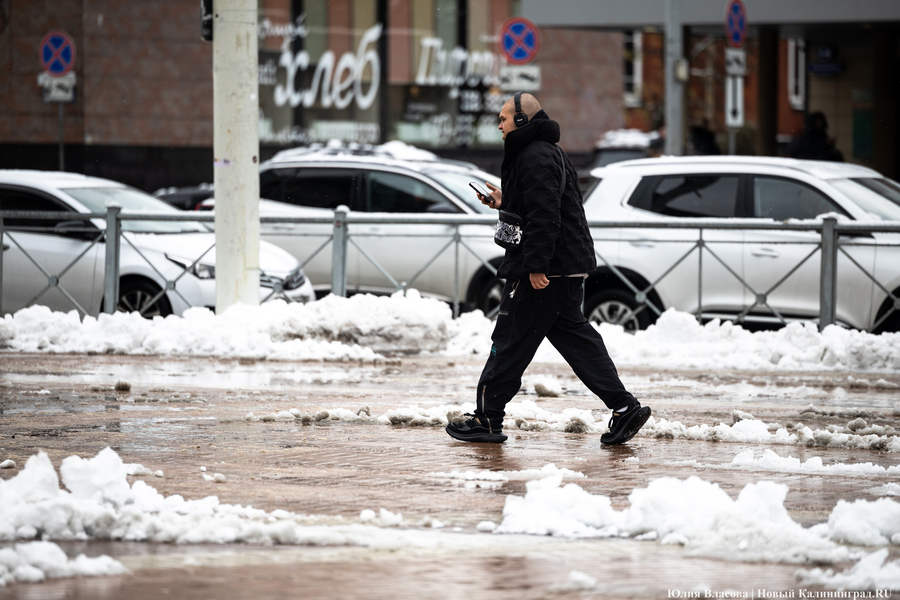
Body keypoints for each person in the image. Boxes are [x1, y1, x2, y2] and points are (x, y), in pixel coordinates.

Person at [445, 92, 652, 445]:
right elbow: (538, 203)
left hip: (546, 270)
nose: (499, 124)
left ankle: (487, 419)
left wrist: (536, 266)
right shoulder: (543, 152)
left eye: (504, 118)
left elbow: (545, 217)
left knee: (509, 341)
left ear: (523, 121)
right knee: (577, 342)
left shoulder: (535, 156)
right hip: (564, 267)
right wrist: (503, 199)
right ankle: (624, 407)